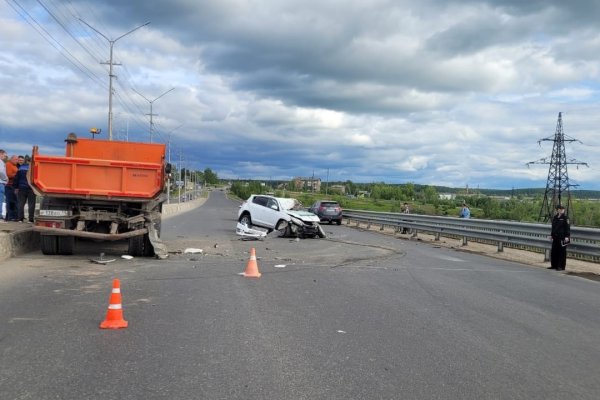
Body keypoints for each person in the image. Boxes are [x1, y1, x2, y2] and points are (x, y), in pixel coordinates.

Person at [13, 155, 36, 223]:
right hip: (31, 188)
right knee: (31, 204)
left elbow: (16, 178)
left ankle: (20, 219)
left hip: (21, 188)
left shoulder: (21, 168)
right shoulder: (34, 168)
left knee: (21, 204)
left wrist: (16, 187)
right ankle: (30, 219)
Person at [548, 204, 570, 271]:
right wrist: (551, 235)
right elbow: (553, 227)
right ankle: (554, 265)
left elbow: (567, 228)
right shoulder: (555, 217)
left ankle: (561, 266)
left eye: (563, 209)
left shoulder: (565, 218)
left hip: (562, 237)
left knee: (562, 252)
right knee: (554, 251)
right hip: (555, 237)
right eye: (560, 209)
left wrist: (567, 236)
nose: (562, 210)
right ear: (557, 210)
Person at [4, 155, 19, 221]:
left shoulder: (15, 165)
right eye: (16, 159)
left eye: (17, 160)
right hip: (9, 185)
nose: (17, 161)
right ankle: (10, 217)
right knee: (10, 201)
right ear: (11, 159)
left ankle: (14, 216)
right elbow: (8, 174)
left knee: (14, 201)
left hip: (14, 186)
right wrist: (18, 174)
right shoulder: (8, 164)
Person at [0, 149, 8, 222]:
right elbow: (1, 171)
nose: (5, 157)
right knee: (0, 200)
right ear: (1, 154)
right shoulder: (1, 162)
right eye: (5, 155)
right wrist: (5, 178)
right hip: (0, 183)